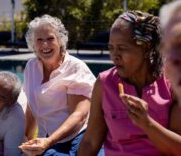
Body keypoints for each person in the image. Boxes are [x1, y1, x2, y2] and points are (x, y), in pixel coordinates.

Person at [77, 10, 181, 156]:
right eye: (111, 48)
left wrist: (147, 124)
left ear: (147, 48)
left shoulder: (172, 83)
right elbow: (90, 142)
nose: (114, 56)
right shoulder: (105, 83)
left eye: (122, 48)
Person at [19, 14, 97, 156]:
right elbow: (32, 106)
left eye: (50, 39)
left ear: (60, 40)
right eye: (39, 40)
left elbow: (79, 115)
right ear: (33, 44)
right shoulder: (31, 67)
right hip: (48, 138)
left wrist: (48, 142)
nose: (45, 45)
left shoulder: (75, 68)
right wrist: (24, 141)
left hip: (78, 136)